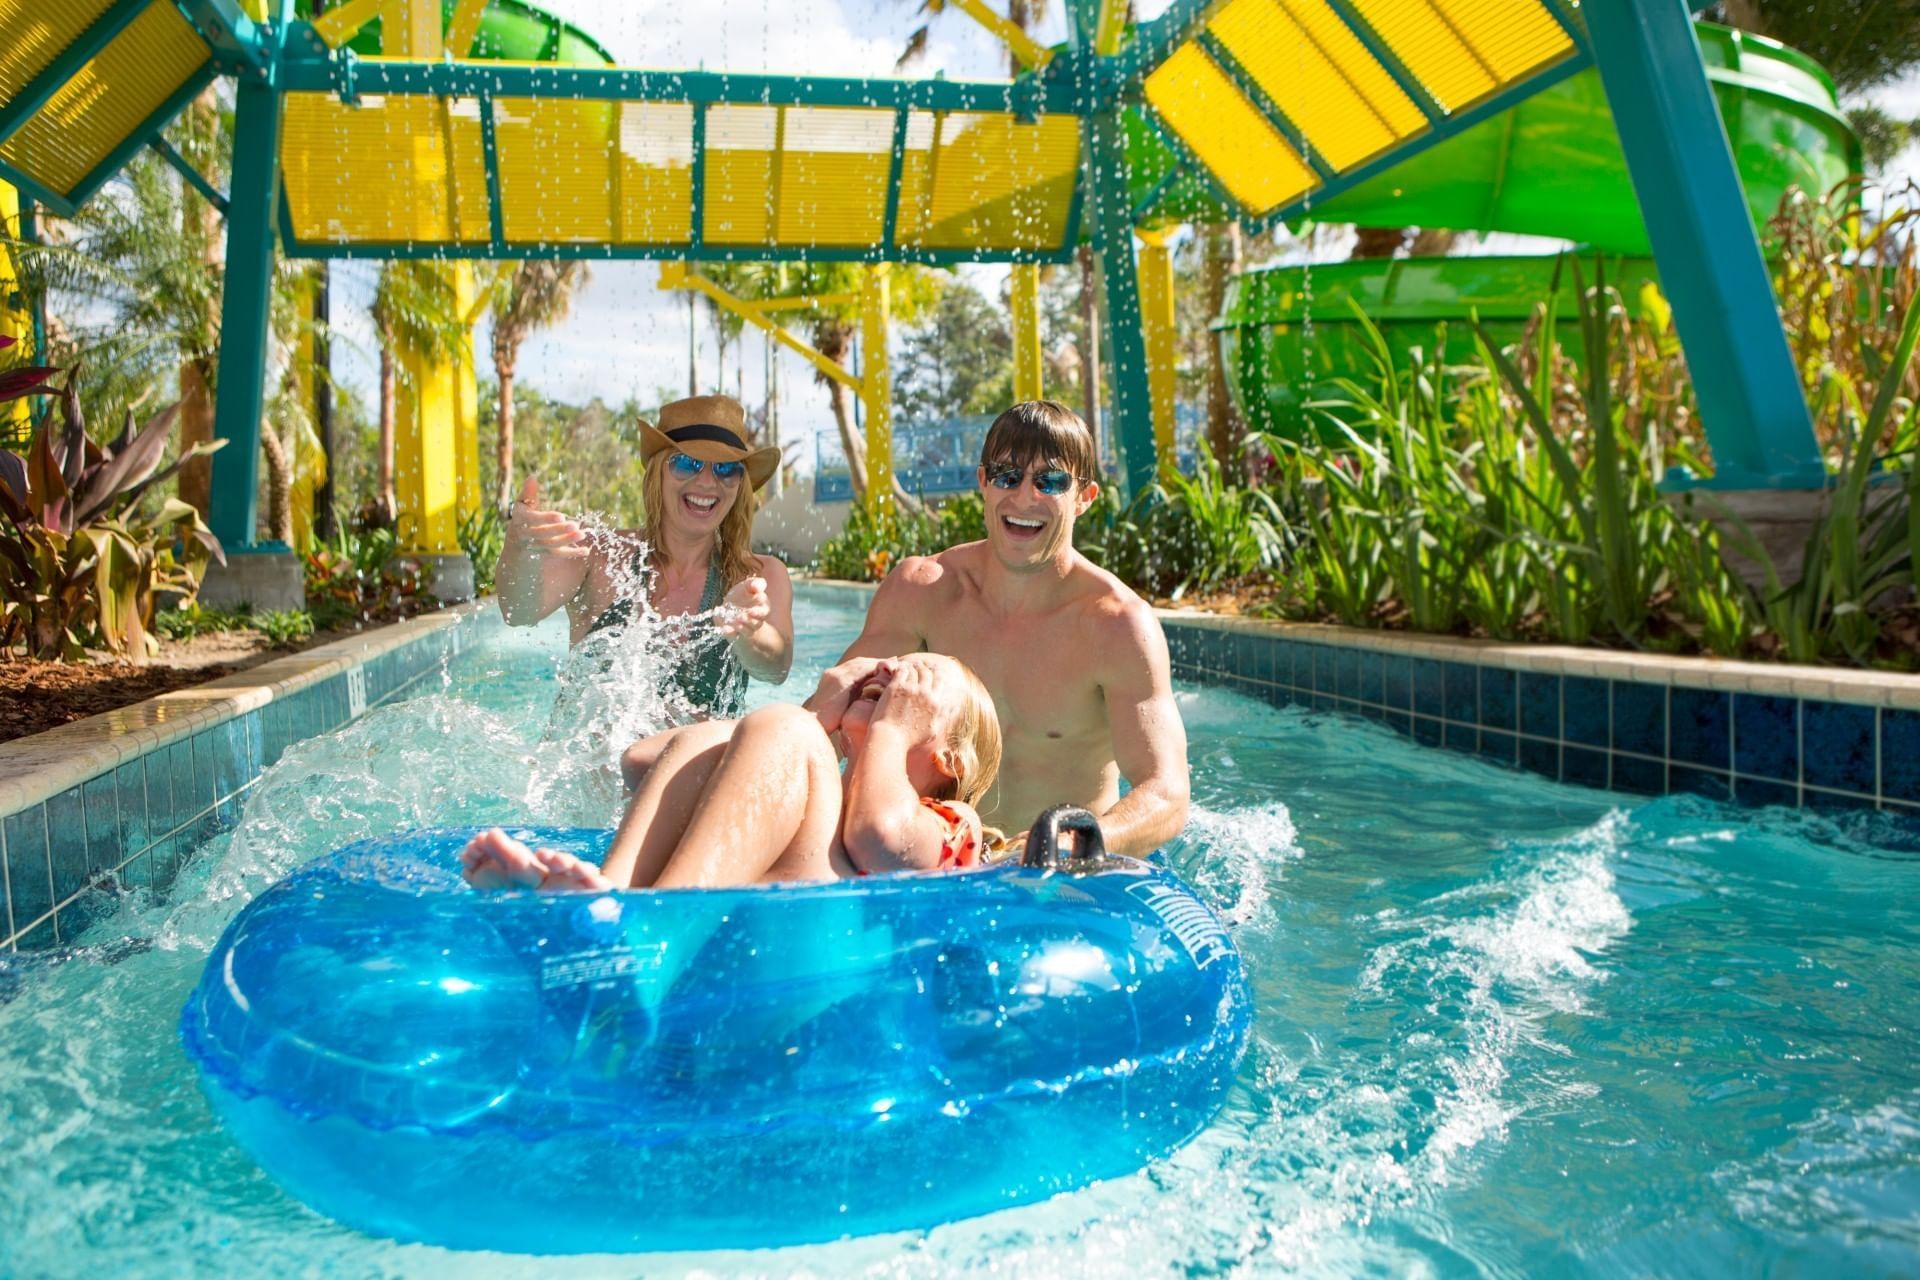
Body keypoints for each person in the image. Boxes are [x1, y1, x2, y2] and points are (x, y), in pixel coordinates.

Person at [805, 400, 1189, 857]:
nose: (1025, 497)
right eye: (1008, 476)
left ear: (1084, 498)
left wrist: (1070, 845)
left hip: (1052, 874)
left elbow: (1166, 791)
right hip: (928, 853)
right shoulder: (922, 592)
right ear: (983, 483)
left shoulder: (1117, 626)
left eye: (1050, 481)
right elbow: (822, 730)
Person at [461, 653, 1001, 890]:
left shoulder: (953, 822)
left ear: (952, 758)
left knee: (787, 730)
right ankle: (607, 899)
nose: (891, 669)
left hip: (826, 948)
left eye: (919, 681)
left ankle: (641, 933)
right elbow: (641, 762)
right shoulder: (816, 792)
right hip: (757, 932)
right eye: (895, 663)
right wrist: (817, 711)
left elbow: (880, 838)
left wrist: (886, 730)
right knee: (725, 736)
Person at [495, 394, 793, 718]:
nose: (707, 482)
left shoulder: (759, 575)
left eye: (725, 469)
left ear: (740, 484)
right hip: (600, 766)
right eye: (686, 463)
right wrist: (518, 546)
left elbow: (775, 670)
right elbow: (519, 610)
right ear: (657, 473)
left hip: (706, 767)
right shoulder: (598, 555)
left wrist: (748, 628)